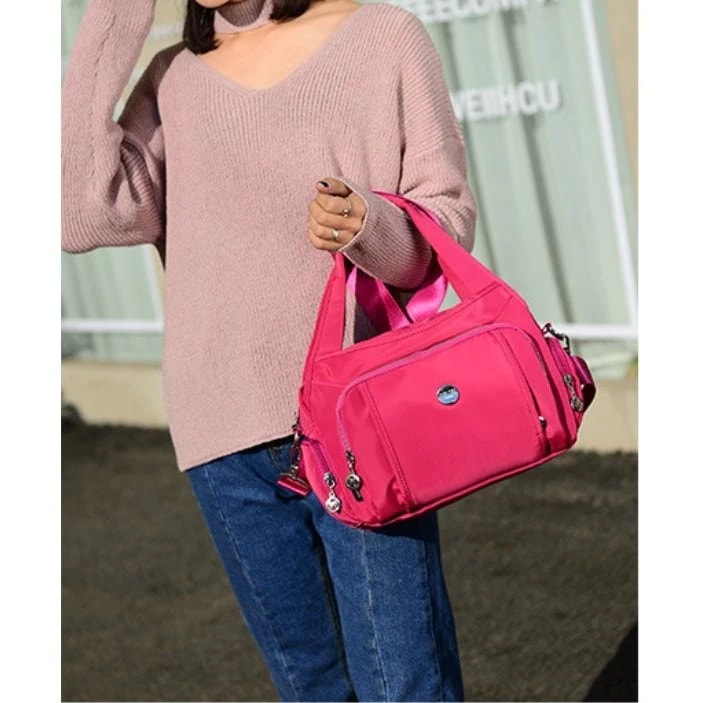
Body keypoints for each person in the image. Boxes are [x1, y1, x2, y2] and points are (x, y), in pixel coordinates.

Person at [62, 0, 478, 700]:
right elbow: (77, 214)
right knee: (312, 688)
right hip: (222, 433)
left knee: (405, 684)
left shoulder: (382, 37)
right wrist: (114, 14)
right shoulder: (173, 79)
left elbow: (447, 220)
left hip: (357, 419)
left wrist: (371, 226)